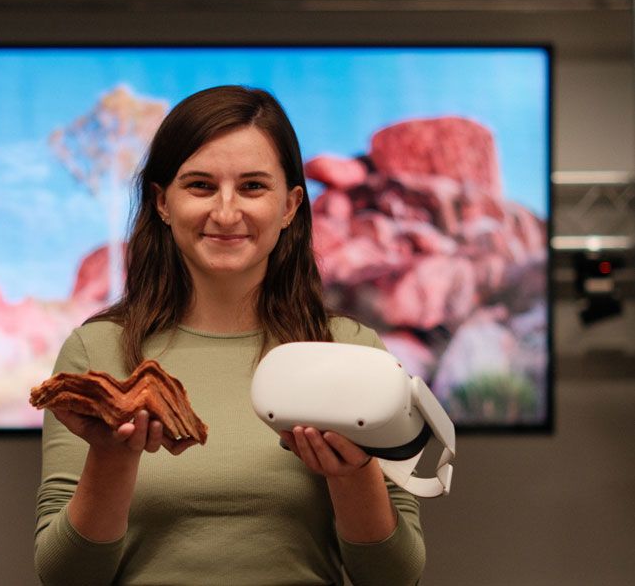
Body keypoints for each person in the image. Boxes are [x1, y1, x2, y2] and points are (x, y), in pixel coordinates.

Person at [34, 85, 426, 585]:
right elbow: (65, 578)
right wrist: (112, 458)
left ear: (289, 206)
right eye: (199, 185)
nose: (224, 212)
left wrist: (352, 475)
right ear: (161, 203)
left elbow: (395, 578)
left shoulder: (353, 353)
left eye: (253, 187)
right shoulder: (96, 352)